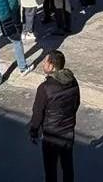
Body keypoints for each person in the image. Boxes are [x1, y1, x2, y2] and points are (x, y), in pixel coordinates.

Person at [29, 50, 81, 182]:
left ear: (51, 66)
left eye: (45, 61)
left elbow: (38, 113)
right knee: (67, 166)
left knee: (50, 170)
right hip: (68, 132)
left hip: (51, 135)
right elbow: (76, 103)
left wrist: (34, 131)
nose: (43, 64)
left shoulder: (45, 88)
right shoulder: (73, 81)